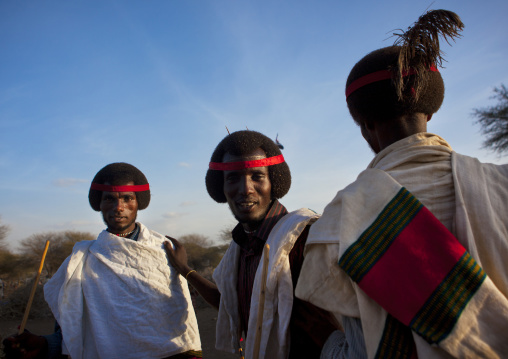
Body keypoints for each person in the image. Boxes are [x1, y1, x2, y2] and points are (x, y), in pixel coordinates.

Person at [295, 9, 508, 359]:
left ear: (364, 123)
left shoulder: (338, 221)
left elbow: (362, 351)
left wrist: (329, 344)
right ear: (432, 111)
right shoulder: (502, 183)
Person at [165, 130, 338, 358]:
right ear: (222, 188)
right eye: (233, 178)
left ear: (273, 182)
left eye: (257, 176)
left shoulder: (305, 237)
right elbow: (229, 303)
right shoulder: (239, 248)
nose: (245, 188)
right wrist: (185, 270)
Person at [3, 162, 202, 359]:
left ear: (137, 202)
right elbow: (73, 333)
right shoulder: (80, 261)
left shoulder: (164, 250)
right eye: (110, 199)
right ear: (99, 204)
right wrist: (45, 344)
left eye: (127, 198)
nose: (119, 207)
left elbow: (180, 317)